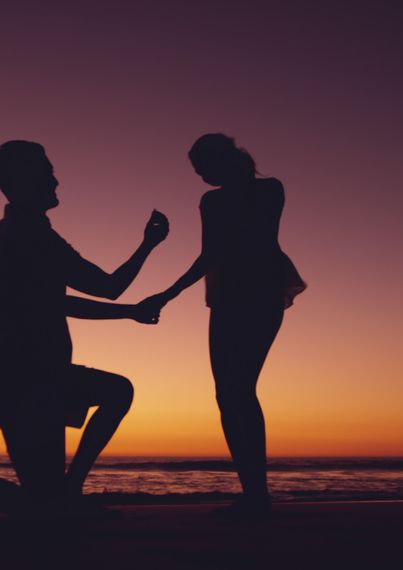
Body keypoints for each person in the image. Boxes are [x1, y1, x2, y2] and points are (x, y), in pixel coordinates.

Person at [0, 140, 168, 518]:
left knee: (51, 496)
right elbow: (104, 289)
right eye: (47, 172)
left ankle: (65, 492)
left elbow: (74, 298)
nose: (56, 181)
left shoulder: (18, 236)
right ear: (24, 181)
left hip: (33, 376)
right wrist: (147, 248)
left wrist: (131, 306)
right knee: (44, 509)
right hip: (23, 380)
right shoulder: (26, 238)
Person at [141, 133, 304, 517]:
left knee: (240, 388)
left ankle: (257, 494)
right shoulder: (210, 201)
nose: (200, 176)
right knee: (226, 393)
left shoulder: (269, 190)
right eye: (197, 170)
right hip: (228, 296)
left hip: (261, 292)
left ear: (224, 160)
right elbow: (209, 255)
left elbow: (239, 243)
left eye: (204, 167)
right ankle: (252, 492)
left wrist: (167, 294)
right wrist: (167, 294)